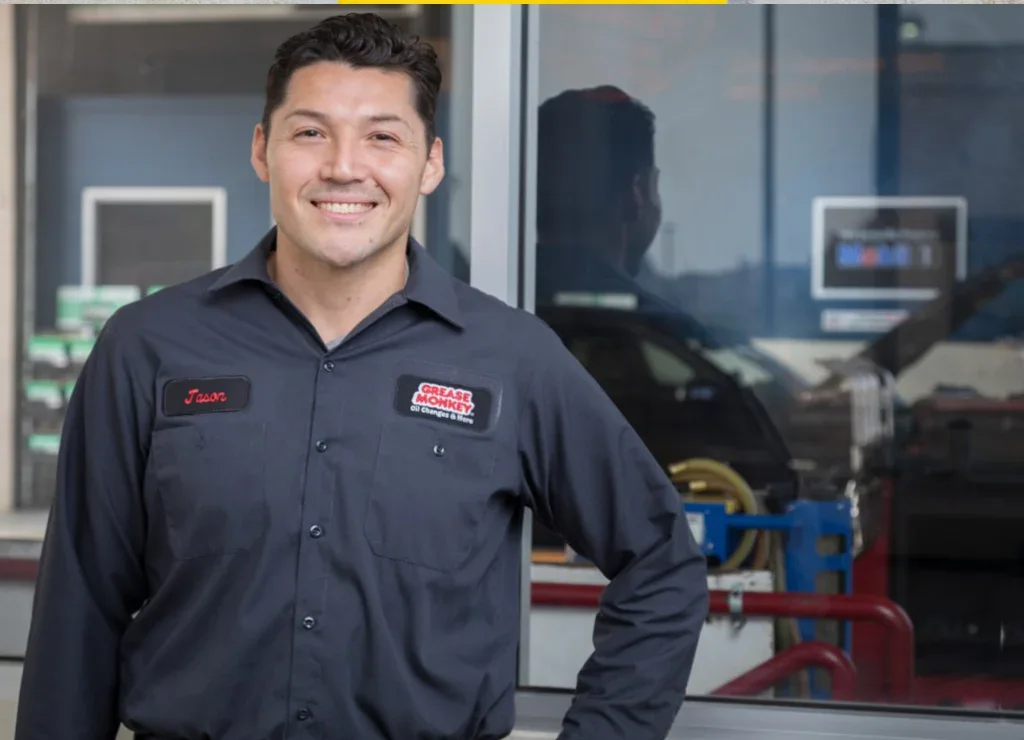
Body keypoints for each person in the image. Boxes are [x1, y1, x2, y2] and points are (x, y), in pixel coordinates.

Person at [15, 13, 708, 740]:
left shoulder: (513, 360)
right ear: (263, 149)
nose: (344, 167)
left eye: (382, 136)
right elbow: (78, 613)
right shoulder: (148, 348)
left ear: (430, 163)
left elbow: (661, 564)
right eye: (310, 132)